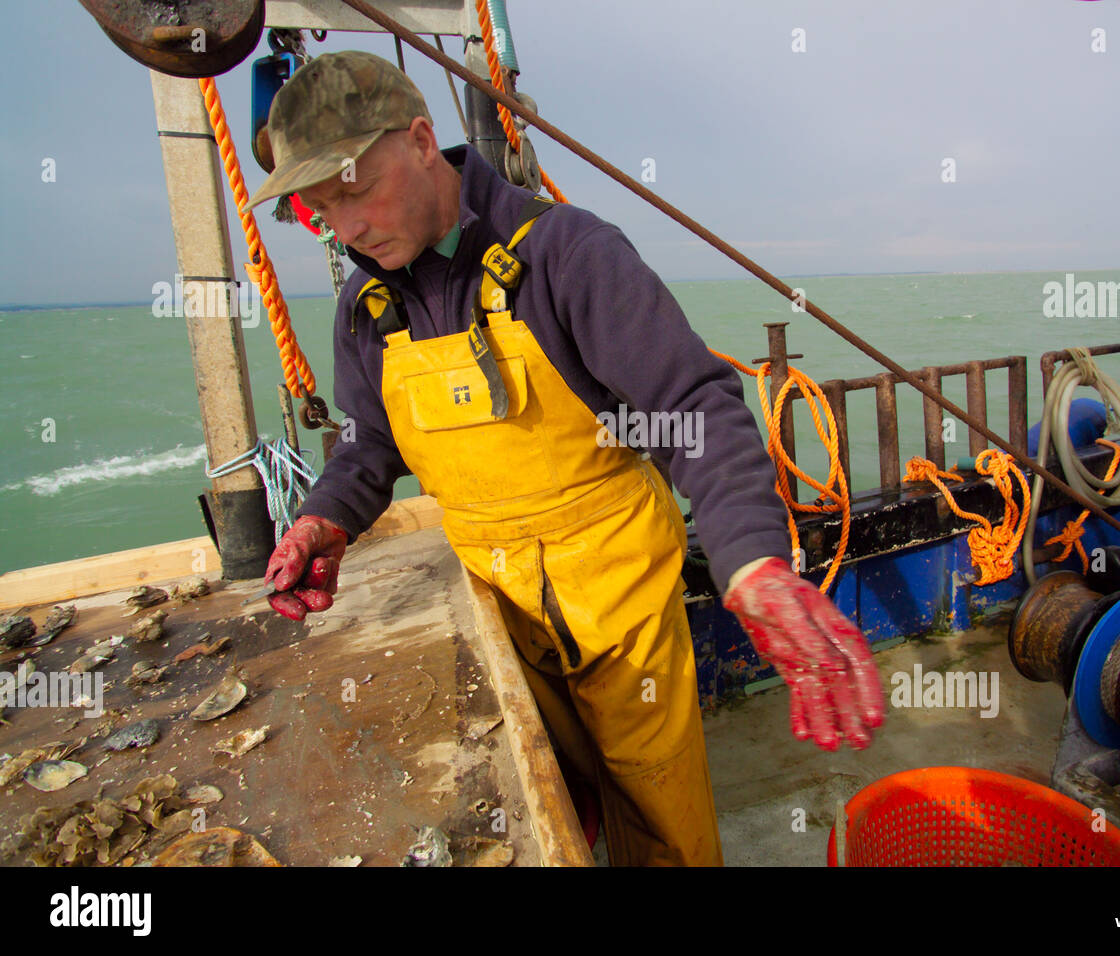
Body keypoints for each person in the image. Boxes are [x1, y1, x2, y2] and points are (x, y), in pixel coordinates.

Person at [243, 50, 884, 866]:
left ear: (418, 139)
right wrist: (326, 517)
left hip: (618, 601)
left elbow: (691, 405)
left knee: (660, 816)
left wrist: (753, 562)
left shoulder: (564, 253)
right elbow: (371, 441)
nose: (350, 227)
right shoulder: (364, 304)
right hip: (496, 607)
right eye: (322, 209)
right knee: (543, 812)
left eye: (357, 188)